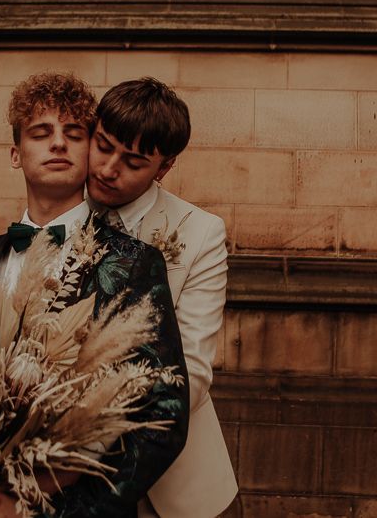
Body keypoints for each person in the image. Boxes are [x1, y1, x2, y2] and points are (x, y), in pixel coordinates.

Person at [0, 72, 189, 518]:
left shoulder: (134, 263)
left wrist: (48, 510)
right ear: (16, 154)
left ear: (90, 148)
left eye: (73, 134)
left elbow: (164, 414)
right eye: (41, 133)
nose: (58, 143)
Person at [86, 78, 238, 518]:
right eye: (103, 145)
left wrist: (90, 425)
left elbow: (191, 372)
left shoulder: (200, 232)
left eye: (133, 161)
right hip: (56, 474)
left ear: (164, 167)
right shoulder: (58, 208)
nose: (109, 168)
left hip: (175, 481)